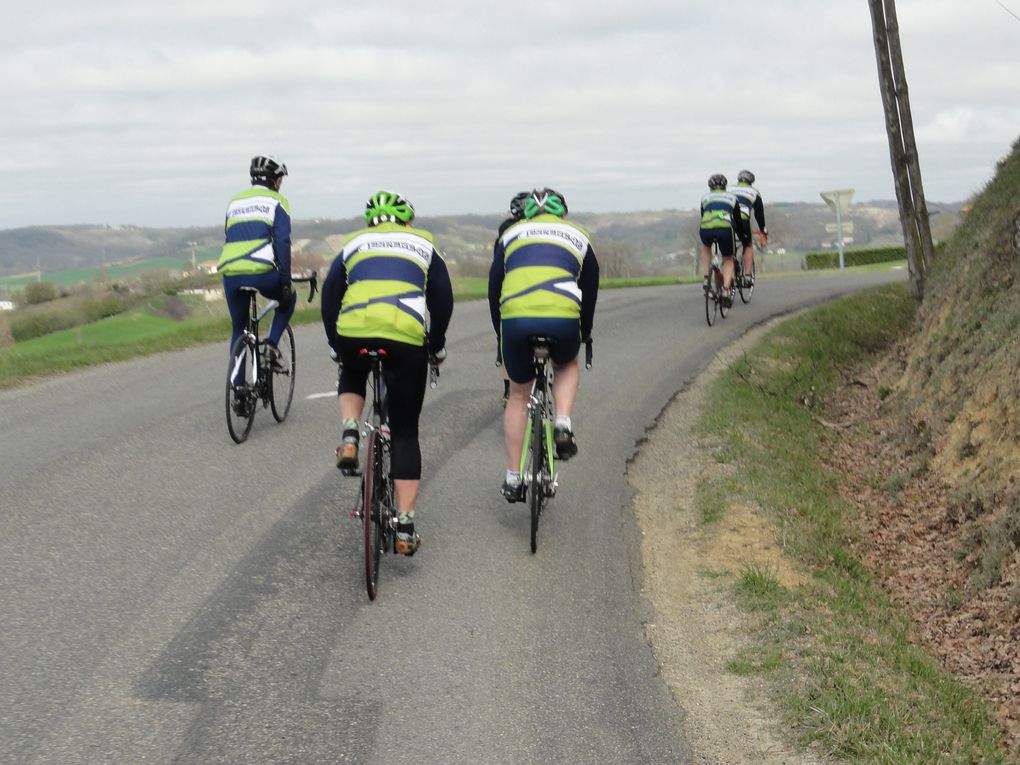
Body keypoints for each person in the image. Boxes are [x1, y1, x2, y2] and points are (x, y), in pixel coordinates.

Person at [321, 190, 453, 556]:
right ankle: (406, 527)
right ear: (407, 221)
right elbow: (442, 299)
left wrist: (335, 342)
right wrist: (436, 344)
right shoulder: (424, 242)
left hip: (354, 330)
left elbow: (331, 295)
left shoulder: (353, 243)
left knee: (351, 370)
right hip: (405, 338)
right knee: (405, 432)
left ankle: (350, 435)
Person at [488, 187, 599, 502]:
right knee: (567, 364)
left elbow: (494, 286)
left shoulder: (510, 235)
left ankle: (513, 477)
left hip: (515, 319)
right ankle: (562, 421)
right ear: (561, 213)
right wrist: (584, 330)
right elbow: (590, 287)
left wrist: (502, 332)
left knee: (518, 396)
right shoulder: (578, 235)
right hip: (563, 319)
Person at [218, 154, 295, 408]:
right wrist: (284, 282)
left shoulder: (234, 202)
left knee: (239, 328)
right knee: (289, 298)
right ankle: (271, 346)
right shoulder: (277, 201)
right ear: (275, 180)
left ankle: (239, 393)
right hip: (261, 272)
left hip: (230, 273)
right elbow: (282, 243)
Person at [494, 191, 530, 407]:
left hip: (511, 290)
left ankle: (509, 390)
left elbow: (497, 266)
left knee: (506, 339)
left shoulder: (506, 228)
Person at [698, 174, 746, 308]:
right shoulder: (732, 197)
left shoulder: (705, 198)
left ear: (710, 187)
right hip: (725, 229)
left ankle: (706, 278)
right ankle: (725, 290)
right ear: (725, 186)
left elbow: (704, 215)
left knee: (706, 247)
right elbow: (737, 220)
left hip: (706, 228)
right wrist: (742, 236)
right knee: (728, 259)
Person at [731, 169, 768, 287]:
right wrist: (763, 229)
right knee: (748, 245)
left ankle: (730, 267)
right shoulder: (754, 192)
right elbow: (759, 214)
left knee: (729, 246)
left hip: (726, 218)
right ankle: (747, 276)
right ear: (751, 182)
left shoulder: (729, 189)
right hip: (742, 219)